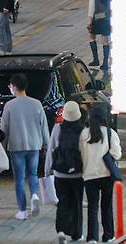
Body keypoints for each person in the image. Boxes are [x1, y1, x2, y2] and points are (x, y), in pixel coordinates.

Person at [1, 73, 50, 220]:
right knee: (33, 173)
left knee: (19, 179)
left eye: (10, 86)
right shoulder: (36, 104)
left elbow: (5, 129)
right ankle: (34, 194)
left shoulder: (9, 106)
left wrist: (2, 148)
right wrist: (46, 143)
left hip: (16, 146)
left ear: (14, 87)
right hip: (34, 144)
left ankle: (22, 211)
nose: (10, 88)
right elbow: (44, 126)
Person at [80, 106, 121, 243]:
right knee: (106, 206)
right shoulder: (110, 133)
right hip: (106, 174)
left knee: (92, 207)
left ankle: (92, 237)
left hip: (89, 175)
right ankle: (108, 235)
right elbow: (117, 154)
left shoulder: (84, 134)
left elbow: (79, 154)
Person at [45, 101, 84, 243]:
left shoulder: (57, 128)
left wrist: (47, 169)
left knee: (63, 201)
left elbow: (51, 150)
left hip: (60, 174)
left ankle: (61, 230)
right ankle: (77, 234)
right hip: (77, 174)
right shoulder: (83, 130)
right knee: (76, 203)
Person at [87, 0, 112, 71]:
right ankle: (105, 63)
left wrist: (89, 22)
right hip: (106, 19)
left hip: (96, 20)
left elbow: (91, 11)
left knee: (91, 37)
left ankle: (96, 59)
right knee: (105, 40)